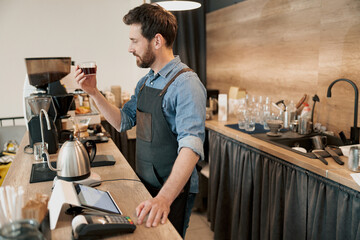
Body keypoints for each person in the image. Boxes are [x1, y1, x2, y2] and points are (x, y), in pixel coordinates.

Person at [74, 3, 206, 238]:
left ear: (156, 41)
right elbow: (122, 122)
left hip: (171, 191)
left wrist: (164, 198)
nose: (129, 48)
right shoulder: (146, 82)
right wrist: (93, 92)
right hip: (144, 182)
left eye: (134, 41)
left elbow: (191, 147)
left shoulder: (186, 83)